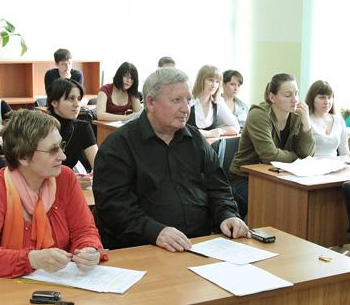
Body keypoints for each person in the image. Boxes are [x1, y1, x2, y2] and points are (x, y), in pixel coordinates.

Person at [94, 67, 249, 251]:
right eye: (176, 100)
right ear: (151, 102)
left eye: (188, 100)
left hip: (201, 245)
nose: (186, 109)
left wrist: (228, 214)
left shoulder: (195, 140)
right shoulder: (118, 146)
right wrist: (155, 232)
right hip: (144, 247)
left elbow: (219, 187)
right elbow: (115, 209)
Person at [0, 109, 104, 279]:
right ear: (23, 156)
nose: (63, 155)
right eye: (53, 150)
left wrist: (89, 249)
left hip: (60, 284)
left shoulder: (65, 177)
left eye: (61, 145)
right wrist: (31, 259)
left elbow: (84, 231)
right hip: (6, 289)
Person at [229, 73, 315, 218]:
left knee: (298, 201)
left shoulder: (297, 115)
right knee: (279, 204)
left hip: (277, 177)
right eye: (288, 95)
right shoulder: (259, 114)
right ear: (272, 97)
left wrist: (306, 124)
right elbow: (269, 155)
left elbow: (307, 155)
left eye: (296, 93)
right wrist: (297, 157)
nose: (295, 100)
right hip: (244, 178)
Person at [47, 79, 96, 189]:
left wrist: (95, 175)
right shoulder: (41, 128)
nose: (77, 104)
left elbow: (99, 166)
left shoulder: (83, 128)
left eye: (79, 99)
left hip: (67, 188)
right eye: (71, 99)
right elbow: (34, 172)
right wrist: (69, 181)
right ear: (54, 102)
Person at [188, 65, 239, 139]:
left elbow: (235, 127)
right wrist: (208, 133)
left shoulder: (218, 102)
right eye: (210, 80)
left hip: (208, 148)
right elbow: (179, 129)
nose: (214, 85)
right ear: (201, 80)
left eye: (217, 82)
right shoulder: (189, 101)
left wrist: (218, 131)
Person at [306, 80, 348, 157]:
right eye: (322, 97)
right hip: (312, 166)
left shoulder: (339, 121)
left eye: (329, 97)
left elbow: (344, 153)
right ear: (312, 99)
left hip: (335, 167)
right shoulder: (306, 120)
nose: (327, 101)